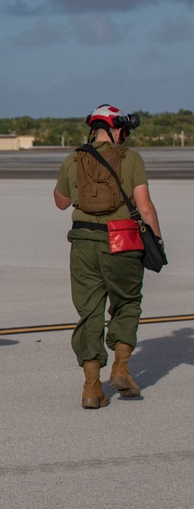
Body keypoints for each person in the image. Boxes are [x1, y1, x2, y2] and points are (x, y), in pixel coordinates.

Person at [54, 104, 163, 409]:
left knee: (89, 313)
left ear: (94, 129)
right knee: (127, 303)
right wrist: (157, 241)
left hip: (83, 243)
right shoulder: (132, 159)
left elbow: (60, 202)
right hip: (123, 242)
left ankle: (91, 388)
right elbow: (145, 207)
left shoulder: (74, 158)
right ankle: (121, 369)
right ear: (117, 130)